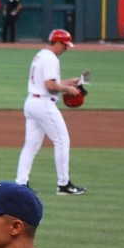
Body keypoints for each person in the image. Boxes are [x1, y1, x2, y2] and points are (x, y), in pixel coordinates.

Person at [16, 29, 87, 195]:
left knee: (30, 146)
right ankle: (63, 184)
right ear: (58, 43)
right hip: (43, 104)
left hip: (32, 102)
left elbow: (47, 82)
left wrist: (68, 82)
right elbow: (50, 85)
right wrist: (67, 89)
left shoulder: (41, 55)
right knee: (62, 140)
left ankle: (21, 183)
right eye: (65, 45)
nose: (66, 48)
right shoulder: (51, 59)